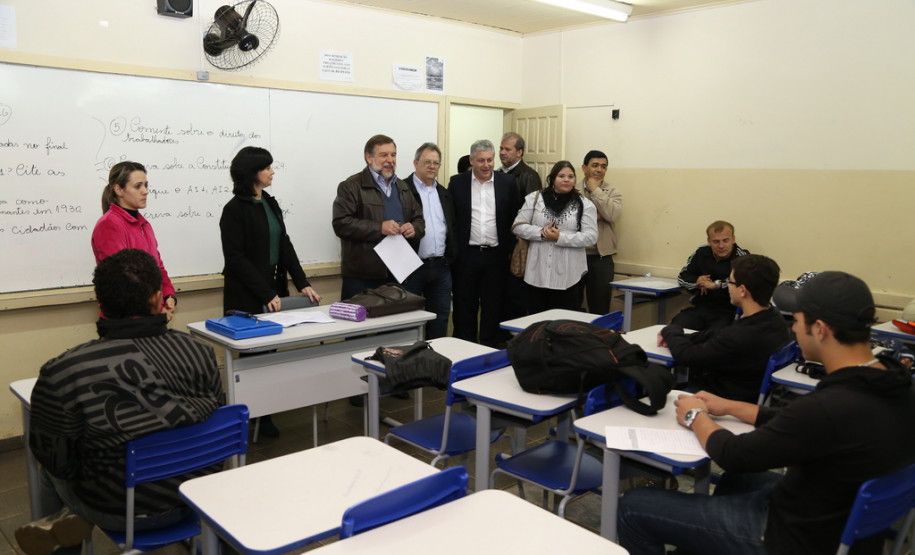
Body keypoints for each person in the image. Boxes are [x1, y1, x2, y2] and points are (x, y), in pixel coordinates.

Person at [618, 271, 915, 555]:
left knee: (635, 506)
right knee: (739, 479)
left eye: (797, 321)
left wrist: (697, 417)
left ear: (820, 329)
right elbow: (798, 425)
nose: (794, 329)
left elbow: (735, 453)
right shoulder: (892, 383)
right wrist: (732, 406)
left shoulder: (830, 406)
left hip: (793, 539)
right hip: (839, 520)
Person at [15, 249, 223, 555]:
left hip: (115, 509)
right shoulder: (201, 353)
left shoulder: (64, 371)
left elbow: (58, 459)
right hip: (196, 500)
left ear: (102, 306)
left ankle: (65, 528)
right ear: (157, 298)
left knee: (48, 470)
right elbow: (214, 425)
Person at [220, 146, 321, 435]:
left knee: (270, 353)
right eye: (267, 167)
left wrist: (302, 282)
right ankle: (247, 416)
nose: (272, 172)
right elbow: (236, 259)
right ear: (253, 173)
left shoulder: (270, 202)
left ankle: (264, 415)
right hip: (247, 295)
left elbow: (284, 245)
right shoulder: (233, 210)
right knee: (252, 358)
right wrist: (265, 293)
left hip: (274, 289)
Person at [658, 254, 791, 403]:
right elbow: (718, 335)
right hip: (747, 395)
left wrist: (671, 330)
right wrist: (686, 337)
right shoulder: (774, 319)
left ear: (742, 290)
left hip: (718, 400)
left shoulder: (740, 335)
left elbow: (688, 356)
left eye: (730, 282)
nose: (728, 285)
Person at [331, 134, 425, 300]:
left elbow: (419, 219)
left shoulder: (403, 187)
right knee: (361, 325)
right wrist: (379, 228)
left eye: (393, 155)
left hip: (398, 274)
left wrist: (414, 228)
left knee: (396, 325)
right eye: (384, 155)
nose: (390, 160)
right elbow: (341, 224)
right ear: (369, 157)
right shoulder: (351, 186)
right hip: (362, 277)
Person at [450, 139, 520, 347]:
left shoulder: (507, 183)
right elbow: (452, 219)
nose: (486, 165)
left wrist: (509, 249)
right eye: (481, 161)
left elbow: (514, 217)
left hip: (496, 257)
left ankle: (490, 348)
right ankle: (465, 347)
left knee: (493, 306)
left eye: (490, 159)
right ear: (472, 160)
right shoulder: (457, 183)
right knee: (464, 307)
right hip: (466, 256)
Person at [91, 161, 177, 321]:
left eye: (146, 185)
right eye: (138, 186)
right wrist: (153, 312)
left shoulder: (144, 224)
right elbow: (121, 280)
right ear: (118, 189)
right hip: (126, 320)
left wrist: (168, 296)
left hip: (150, 315)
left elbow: (158, 268)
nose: (145, 191)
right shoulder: (109, 224)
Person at [511, 161, 597, 312]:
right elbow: (517, 226)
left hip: (569, 277)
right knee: (536, 323)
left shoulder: (585, 204)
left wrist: (560, 238)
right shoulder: (534, 198)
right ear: (552, 178)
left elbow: (591, 237)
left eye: (570, 176)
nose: (566, 179)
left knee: (563, 326)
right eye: (561, 176)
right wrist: (541, 233)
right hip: (536, 275)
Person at [402, 143, 456, 339]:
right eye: (427, 162)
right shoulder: (402, 190)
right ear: (416, 163)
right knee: (407, 320)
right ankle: (409, 363)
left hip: (440, 267)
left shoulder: (444, 193)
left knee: (440, 317)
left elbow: (451, 227)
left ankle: (435, 361)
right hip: (411, 267)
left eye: (436, 163)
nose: (432, 166)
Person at [671, 220, 748, 331]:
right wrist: (697, 281)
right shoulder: (701, 253)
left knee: (713, 337)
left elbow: (742, 283)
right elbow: (682, 277)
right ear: (709, 241)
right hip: (701, 308)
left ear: (733, 239)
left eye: (726, 240)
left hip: (727, 312)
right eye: (716, 241)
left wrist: (715, 285)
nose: (721, 246)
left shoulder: (742, 257)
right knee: (674, 328)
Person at [574, 150, 622, 315]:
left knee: (599, 307)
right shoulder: (572, 189)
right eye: (595, 165)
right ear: (584, 167)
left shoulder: (612, 191)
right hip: (574, 254)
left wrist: (595, 190)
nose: (599, 169)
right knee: (571, 304)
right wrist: (598, 215)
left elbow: (612, 215)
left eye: (603, 166)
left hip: (601, 258)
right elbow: (570, 219)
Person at [499, 132, 542, 201]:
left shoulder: (530, 176)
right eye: (501, 148)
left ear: (519, 152)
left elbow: (532, 207)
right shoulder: (497, 173)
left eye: (507, 149)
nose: (502, 152)